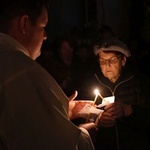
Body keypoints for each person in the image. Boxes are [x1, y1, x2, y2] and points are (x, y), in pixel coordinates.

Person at [0, 0, 98, 149]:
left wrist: (63, 109)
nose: (45, 36)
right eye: (43, 27)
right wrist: (84, 132)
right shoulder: (23, 70)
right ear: (24, 24)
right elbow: (54, 143)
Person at [83, 37, 150, 150]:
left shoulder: (140, 82)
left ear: (123, 61)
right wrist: (98, 120)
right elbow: (84, 117)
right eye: (103, 61)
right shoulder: (92, 84)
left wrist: (128, 110)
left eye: (112, 60)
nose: (107, 65)